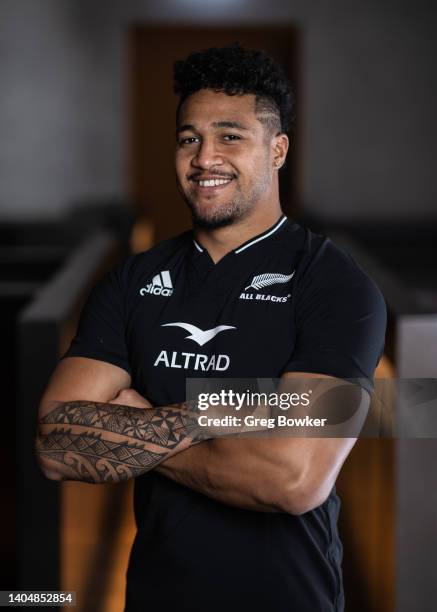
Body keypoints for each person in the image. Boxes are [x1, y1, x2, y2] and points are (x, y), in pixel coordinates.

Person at [36, 44, 387, 611]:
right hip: (156, 596)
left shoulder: (336, 286)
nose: (205, 158)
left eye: (230, 136)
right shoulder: (134, 280)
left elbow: (292, 478)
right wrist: (249, 412)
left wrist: (140, 420)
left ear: (278, 150)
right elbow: (56, 443)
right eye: (188, 138)